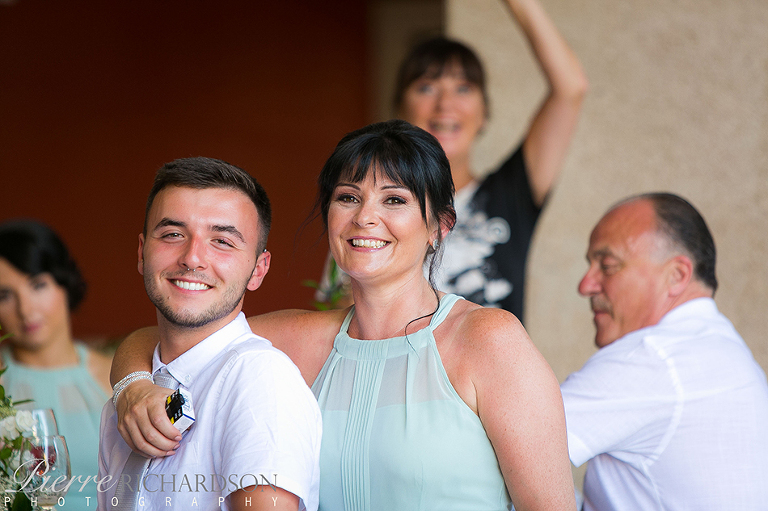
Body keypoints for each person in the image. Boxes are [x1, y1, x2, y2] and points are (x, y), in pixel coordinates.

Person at [109, 121, 575, 510]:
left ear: (439, 227)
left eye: (395, 200)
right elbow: (170, 333)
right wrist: (132, 386)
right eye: (348, 197)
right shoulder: (296, 338)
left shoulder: (489, 340)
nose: (364, 217)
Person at [317, 0, 588, 320]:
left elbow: (570, 89)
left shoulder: (510, 192)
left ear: (484, 112)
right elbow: (336, 322)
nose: (445, 104)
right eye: (426, 87)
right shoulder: (365, 214)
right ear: (400, 108)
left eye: (463, 88)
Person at [97, 157, 322, 511]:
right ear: (142, 252)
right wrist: (130, 386)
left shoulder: (260, 380)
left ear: (258, 270)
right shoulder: (130, 395)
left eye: (222, 241)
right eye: (173, 235)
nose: (192, 258)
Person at [561, 193, 768, 510]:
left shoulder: (655, 358)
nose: (585, 285)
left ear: (677, 276)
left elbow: (497, 445)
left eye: (608, 265)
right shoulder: (729, 354)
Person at [0, 219, 111, 509]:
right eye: (5, 295)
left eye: (38, 285)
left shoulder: (118, 375)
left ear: (64, 283)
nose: (26, 310)